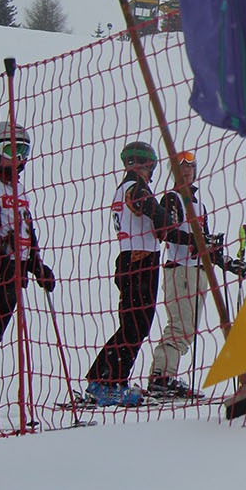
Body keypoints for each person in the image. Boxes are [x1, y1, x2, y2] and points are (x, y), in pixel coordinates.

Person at [146, 151, 246, 399]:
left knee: (188, 329)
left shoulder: (199, 204)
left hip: (197, 271)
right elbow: (168, 232)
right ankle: (161, 376)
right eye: (181, 166)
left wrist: (229, 263)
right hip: (181, 269)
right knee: (181, 327)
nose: (186, 170)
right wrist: (196, 241)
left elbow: (206, 245)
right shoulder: (172, 199)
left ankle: (165, 376)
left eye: (190, 166)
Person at [85, 140, 179, 406]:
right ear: (146, 165)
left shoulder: (123, 188)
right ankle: (107, 382)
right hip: (140, 261)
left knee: (133, 324)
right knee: (136, 325)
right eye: (150, 167)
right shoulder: (136, 188)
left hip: (129, 258)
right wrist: (168, 220)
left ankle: (107, 378)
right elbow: (158, 217)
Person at [0, 123, 55, 425]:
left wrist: (37, 266)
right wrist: (4, 261)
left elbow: (26, 232)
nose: (19, 157)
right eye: (11, 150)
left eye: (23, 150)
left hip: (12, 276)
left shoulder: (17, 189)